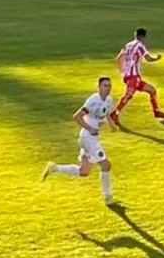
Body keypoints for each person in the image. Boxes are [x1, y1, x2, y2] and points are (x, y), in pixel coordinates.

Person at [41, 76, 118, 206]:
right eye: (105, 85)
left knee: (84, 172)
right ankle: (108, 197)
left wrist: (112, 125)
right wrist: (90, 128)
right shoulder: (93, 101)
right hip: (88, 138)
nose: (108, 88)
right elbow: (77, 116)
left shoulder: (109, 99)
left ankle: (55, 168)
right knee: (106, 165)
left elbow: (107, 113)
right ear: (98, 87)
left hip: (89, 138)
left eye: (109, 85)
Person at [110, 28, 164, 125]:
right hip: (133, 76)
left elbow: (119, 57)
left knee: (152, 90)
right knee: (128, 95)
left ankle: (156, 111)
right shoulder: (140, 45)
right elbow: (148, 59)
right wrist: (157, 58)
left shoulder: (128, 45)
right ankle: (115, 113)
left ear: (135, 35)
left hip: (130, 76)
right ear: (143, 36)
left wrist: (122, 71)